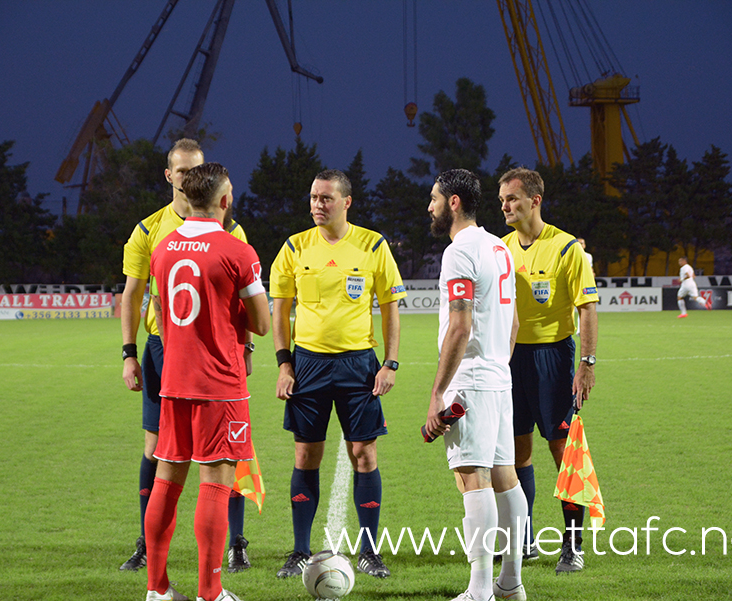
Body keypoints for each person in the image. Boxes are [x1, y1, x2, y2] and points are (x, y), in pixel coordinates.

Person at [120, 138, 255, 574]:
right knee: (190, 457)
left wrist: (246, 347)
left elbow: (157, 301)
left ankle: (231, 545)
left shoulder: (190, 239)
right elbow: (134, 298)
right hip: (187, 355)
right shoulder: (149, 230)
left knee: (181, 464)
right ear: (170, 176)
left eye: (195, 170)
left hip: (190, 355)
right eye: (182, 171)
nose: (188, 177)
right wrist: (129, 353)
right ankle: (158, 551)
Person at [269, 169, 407, 579]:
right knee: (305, 455)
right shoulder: (294, 247)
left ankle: (370, 551)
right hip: (308, 364)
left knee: (364, 454)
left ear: (347, 202)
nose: (317, 204)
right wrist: (283, 364)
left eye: (326, 198)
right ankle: (298, 551)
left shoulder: (372, 245)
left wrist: (390, 363)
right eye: (313, 197)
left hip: (359, 365)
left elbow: (391, 308)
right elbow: (280, 311)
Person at [145, 162, 270, 601]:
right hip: (219, 381)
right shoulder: (238, 251)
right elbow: (262, 323)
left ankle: (157, 590)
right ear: (223, 199)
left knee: (167, 478)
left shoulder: (163, 248)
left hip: (174, 378)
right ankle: (210, 593)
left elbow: (160, 310)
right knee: (216, 480)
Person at [425, 170, 529, 601]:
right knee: (507, 478)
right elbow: (514, 321)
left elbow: (460, 326)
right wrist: (495, 368)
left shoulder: (460, 251)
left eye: (433, 198)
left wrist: (437, 393)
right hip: (497, 379)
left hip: (471, 381)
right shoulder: (498, 247)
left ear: (452, 202)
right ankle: (510, 584)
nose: (428, 207)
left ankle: (480, 589)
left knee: (473, 479)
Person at [498, 167, 599, 574]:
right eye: (502, 200)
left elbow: (587, 307)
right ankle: (524, 540)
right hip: (511, 360)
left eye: (512, 199)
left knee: (562, 450)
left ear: (534, 200)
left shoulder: (565, 248)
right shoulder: (501, 248)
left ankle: (572, 546)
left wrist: (586, 364)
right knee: (516, 452)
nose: (505, 206)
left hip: (554, 359)